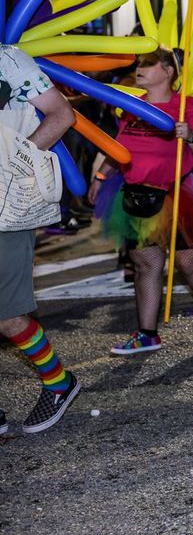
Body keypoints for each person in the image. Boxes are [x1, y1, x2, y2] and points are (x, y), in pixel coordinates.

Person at [90, 48, 193, 354]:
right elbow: (120, 147)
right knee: (146, 265)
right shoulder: (131, 107)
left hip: (179, 193)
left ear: (168, 71)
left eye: (148, 64)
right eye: (139, 63)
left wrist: (189, 136)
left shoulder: (188, 107)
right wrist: (101, 176)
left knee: (190, 263)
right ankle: (147, 334)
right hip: (137, 192)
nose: (139, 68)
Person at [0, 45, 80, 434]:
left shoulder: (8, 60)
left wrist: (21, 158)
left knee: (9, 314)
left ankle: (59, 383)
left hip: (5, 204)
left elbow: (62, 113)